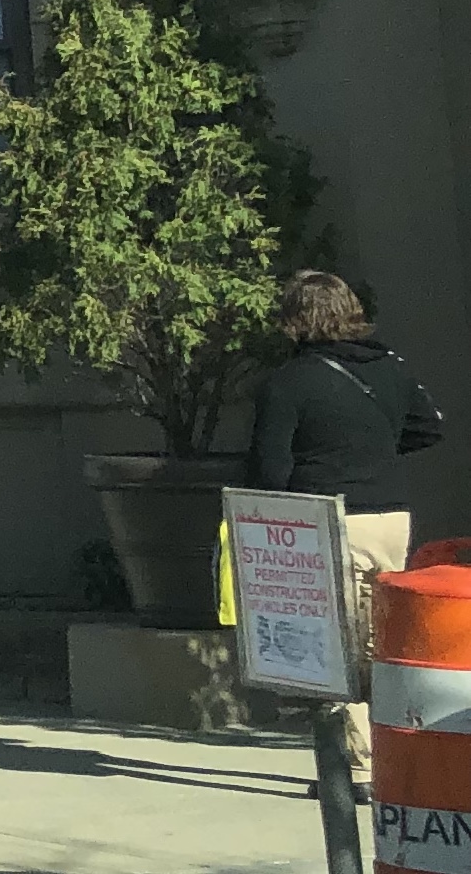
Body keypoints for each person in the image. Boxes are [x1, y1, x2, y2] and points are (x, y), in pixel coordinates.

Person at [245, 270, 446, 788]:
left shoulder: (289, 381)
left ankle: (363, 766)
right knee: (383, 638)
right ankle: (402, 751)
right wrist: (374, 453)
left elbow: (269, 469)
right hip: (392, 517)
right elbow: (429, 426)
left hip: (332, 521)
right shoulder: (391, 366)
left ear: (295, 318)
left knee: (343, 646)